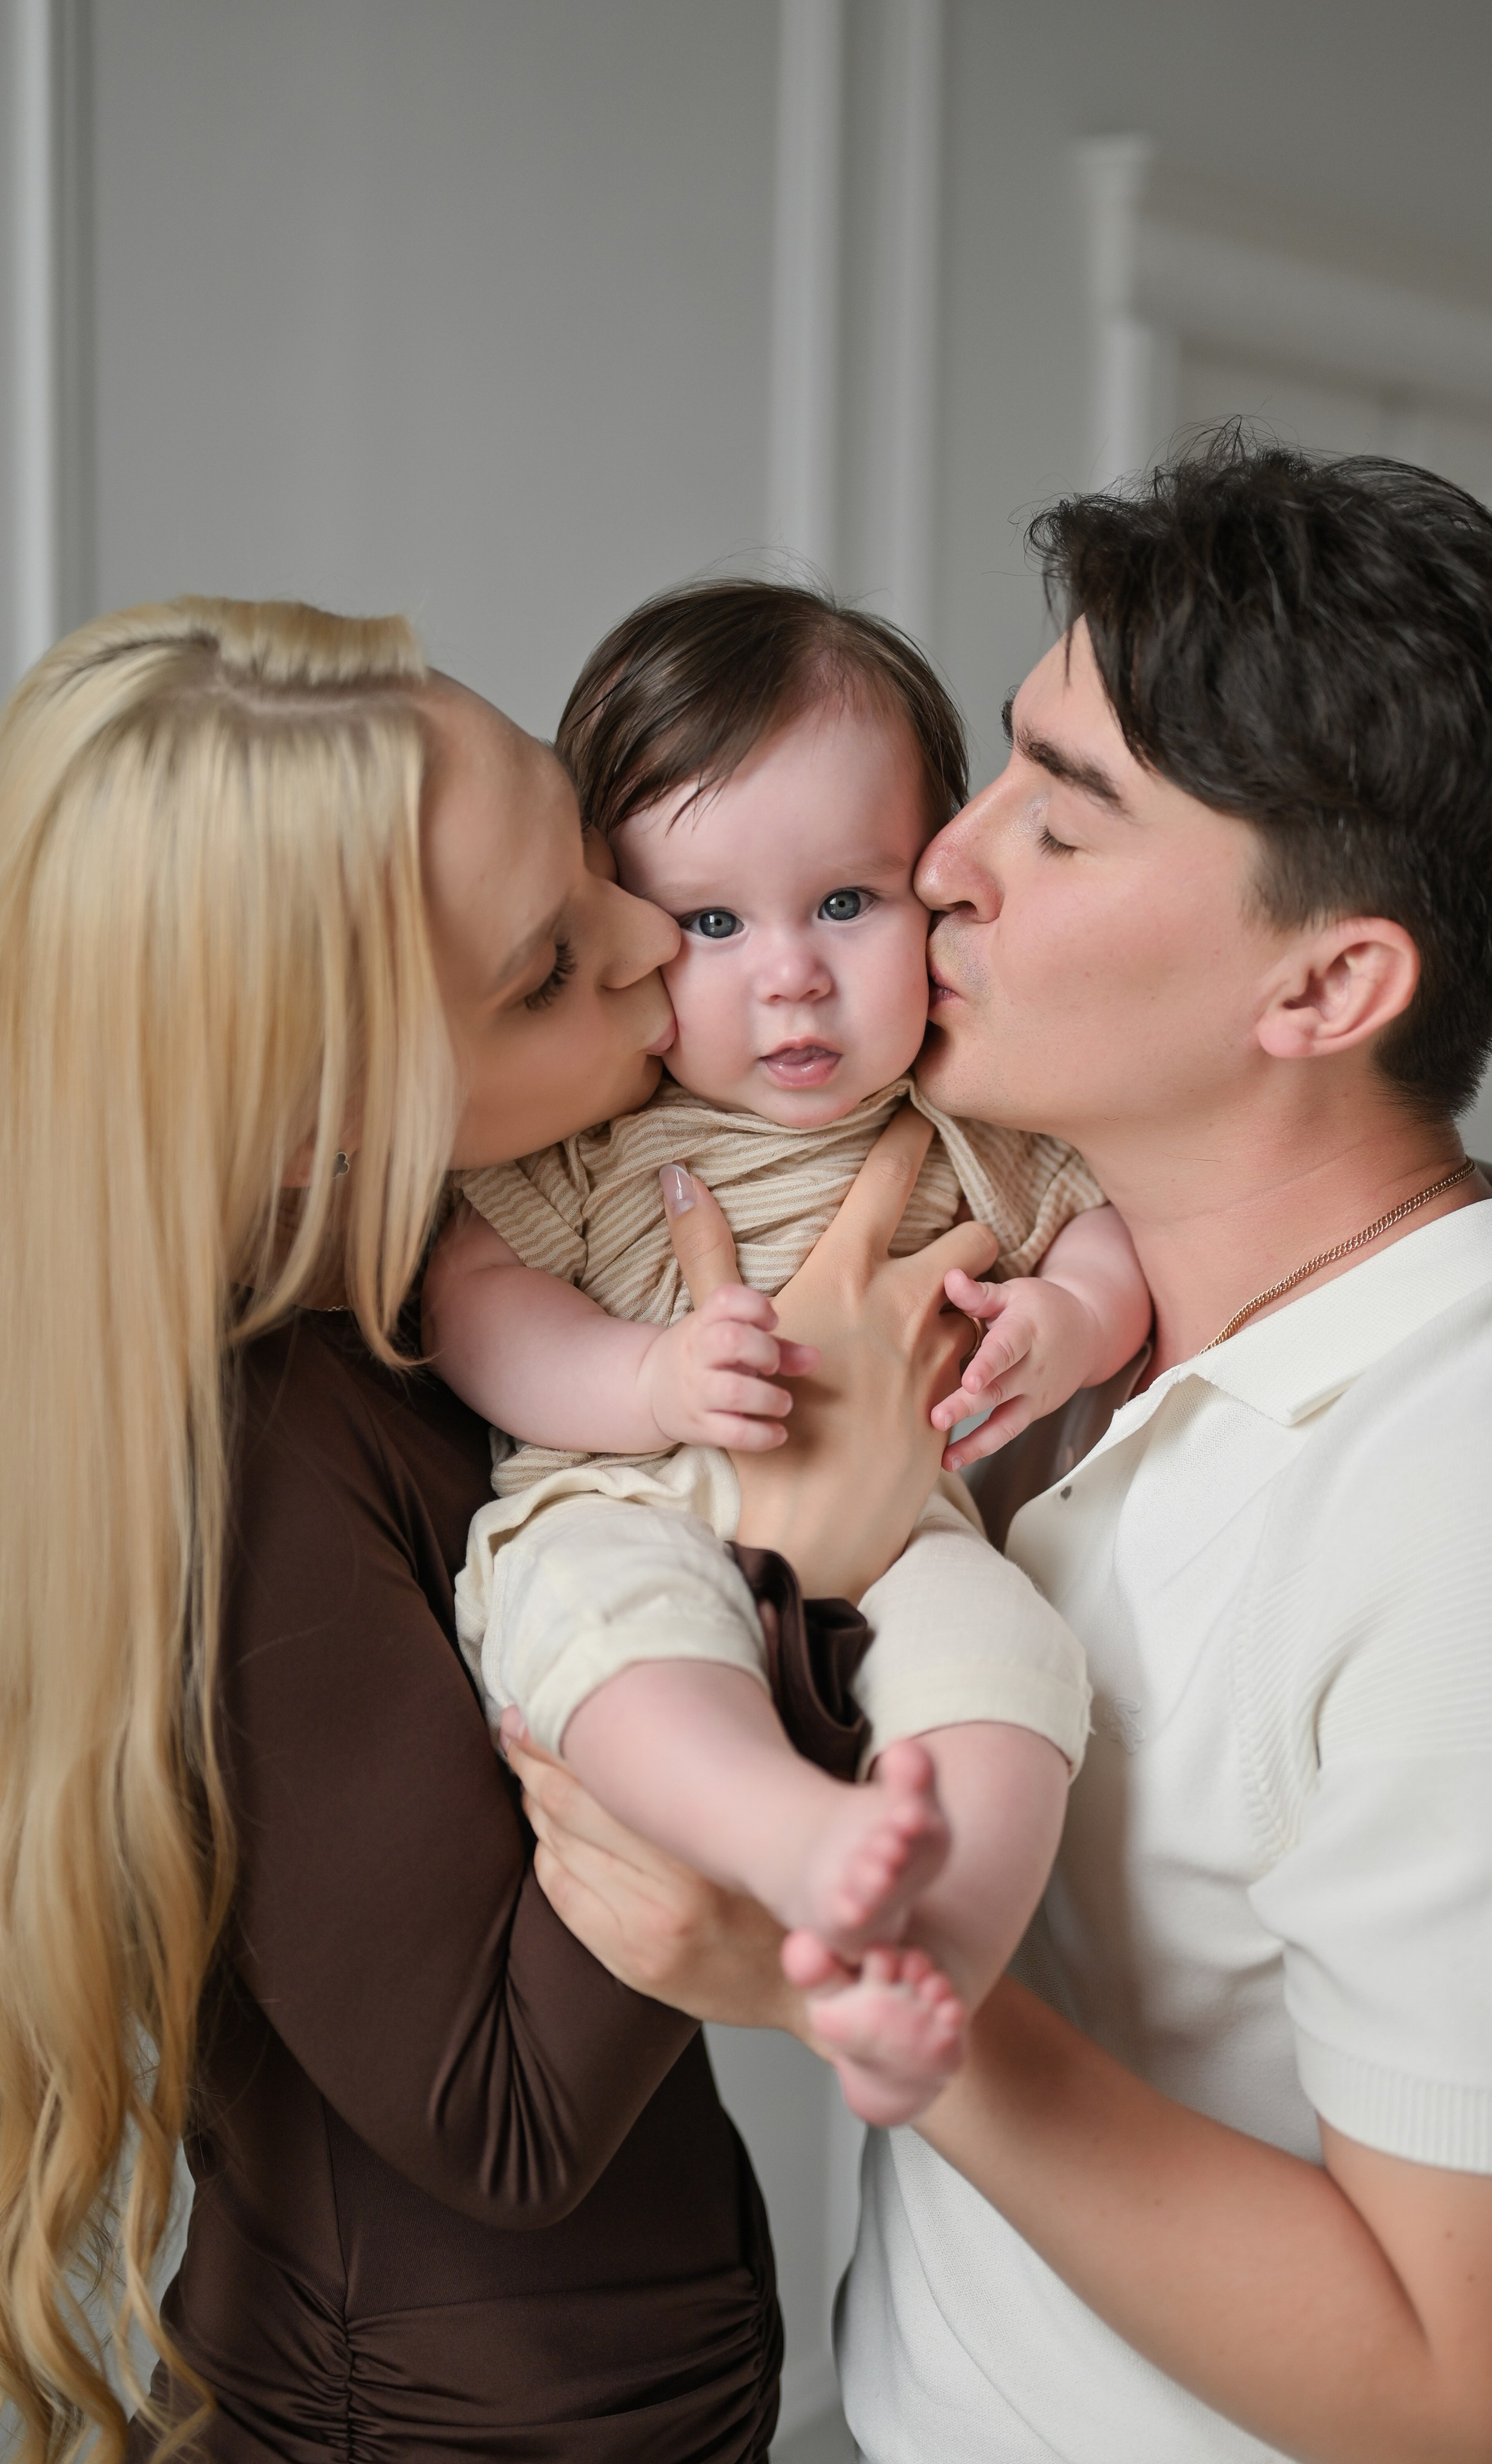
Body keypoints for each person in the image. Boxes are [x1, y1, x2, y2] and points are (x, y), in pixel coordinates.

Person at [511, 438, 1492, 2463]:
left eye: (1062, 826)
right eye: (997, 766)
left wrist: (850, 1995)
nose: (945, 863)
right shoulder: (1054, 1306)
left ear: (1330, 980)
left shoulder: (1485, 1498)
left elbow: (1461, 2395)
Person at [0, 598, 979, 2464]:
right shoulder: (259, 1451)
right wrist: (796, 1561)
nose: (658, 935)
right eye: (553, 966)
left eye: (588, 849)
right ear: (333, 1127)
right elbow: (505, 2118)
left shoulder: (486, 1281)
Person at [425, 583, 1149, 2125]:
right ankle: (788, 1840)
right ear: (617, 921)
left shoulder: (969, 1120)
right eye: (708, 922)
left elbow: (1105, 1236)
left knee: (1016, 1659)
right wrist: (640, 1381)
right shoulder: (601, 1127)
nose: (791, 976)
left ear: (933, 888)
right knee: (611, 1628)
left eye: (844, 901)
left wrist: (1067, 1320)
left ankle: (922, 1978)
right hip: (621, 1502)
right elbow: (471, 1299)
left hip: (903, 1533)